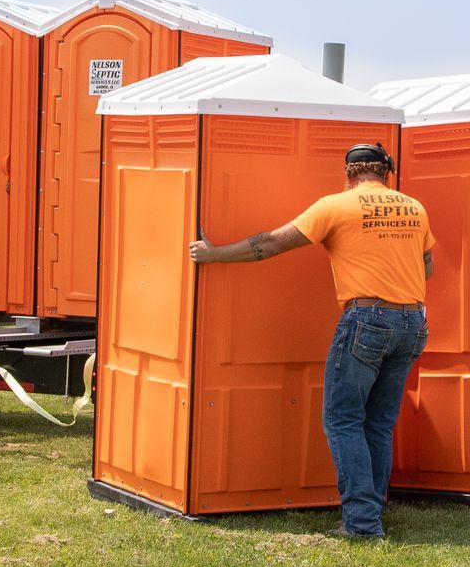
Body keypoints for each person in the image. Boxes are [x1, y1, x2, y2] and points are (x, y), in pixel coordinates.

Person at [186, 143, 434, 539]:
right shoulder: (413, 207)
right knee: (380, 423)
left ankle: (363, 524)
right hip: (412, 321)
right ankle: (372, 511)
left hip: (367, 318)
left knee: (343, 420)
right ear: (387, 172)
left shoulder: (335, 206)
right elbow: (427, 267)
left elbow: (270, 244)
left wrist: (214, 254)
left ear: (349, 174)